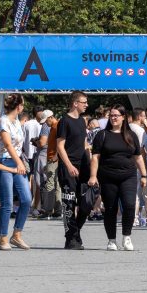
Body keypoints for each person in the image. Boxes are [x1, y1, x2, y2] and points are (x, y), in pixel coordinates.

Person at [89, 104, 147, 251]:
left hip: (128, 175)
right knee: (110, 208)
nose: (114, 118)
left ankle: (127, 237)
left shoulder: (130, 135)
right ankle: (111, 240)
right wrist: (93, 176)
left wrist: (144, 175)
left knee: (129, 205)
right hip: (107, 176)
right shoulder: (102, 135)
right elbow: (95, 157)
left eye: (117, 115)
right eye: (112, 115)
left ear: (123, 117)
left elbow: (138, 157)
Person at [0, 94, 32, 250]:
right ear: (19, 106)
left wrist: (20, 161)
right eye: (22, 104)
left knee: (26, 199)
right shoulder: (3, 121)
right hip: (4, 161)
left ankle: (17, 234)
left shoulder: (17, 122)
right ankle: (3, 238)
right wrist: (19, 162)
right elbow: (8, 145)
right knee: (7, 201)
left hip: (17, 161)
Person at [56, 92, 91, 249]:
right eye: (84, 102)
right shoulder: (64, 121)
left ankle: (75, 233)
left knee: (87, 202)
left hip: (83, 166)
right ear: (75, 103)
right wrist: (69, 166)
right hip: (68, 167)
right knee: (69, 203)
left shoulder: (83, 121)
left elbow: (84, 144)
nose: (86, 105)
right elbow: (60, 146)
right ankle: (71, 238)